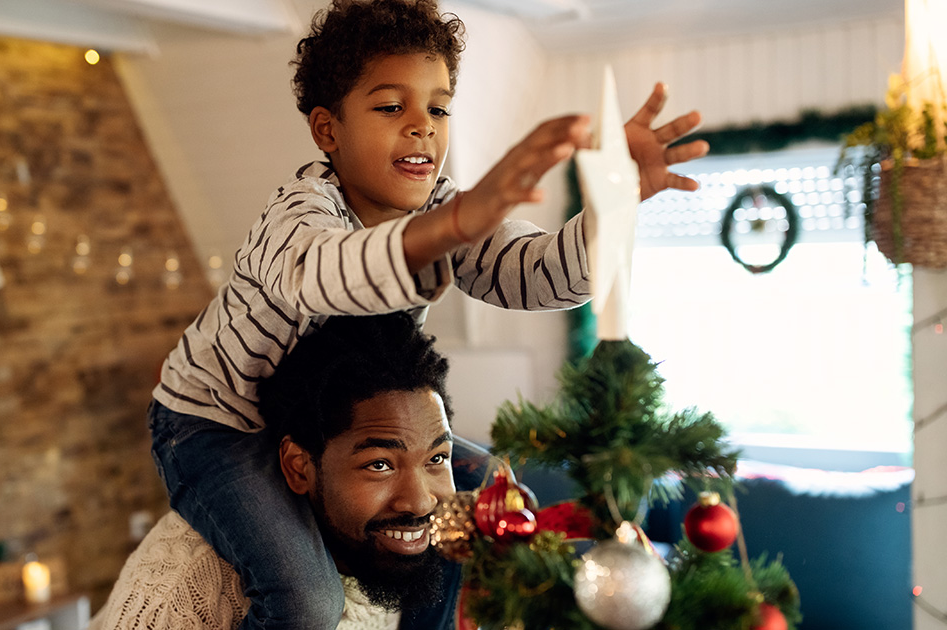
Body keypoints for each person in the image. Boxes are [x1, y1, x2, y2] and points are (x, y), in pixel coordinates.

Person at [148, 0, 710, 627]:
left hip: (326, 420)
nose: (423, 128)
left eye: (438, 108)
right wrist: (452, 226)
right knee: (306, 602)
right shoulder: (299, 216)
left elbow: (546, 276)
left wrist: (615, 199)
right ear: (327, 130)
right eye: (392, 107)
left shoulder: (441, 210)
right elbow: (330, 277)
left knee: (470, 503)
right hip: (219, 425)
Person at [96, 314, 487, 629]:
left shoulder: (402, 554)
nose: (419, 500)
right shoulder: (188, 583)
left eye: (437, 458)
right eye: (379, 465)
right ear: (299, 466)